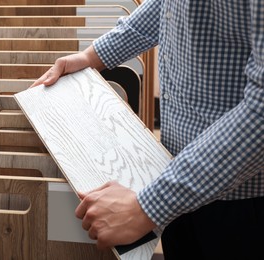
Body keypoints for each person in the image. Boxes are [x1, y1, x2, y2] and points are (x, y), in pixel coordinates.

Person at [32, 1, 263, 259]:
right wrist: (92, 56)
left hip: (240, 198)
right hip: (175, 179)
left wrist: (147, 208)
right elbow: (169, 6)